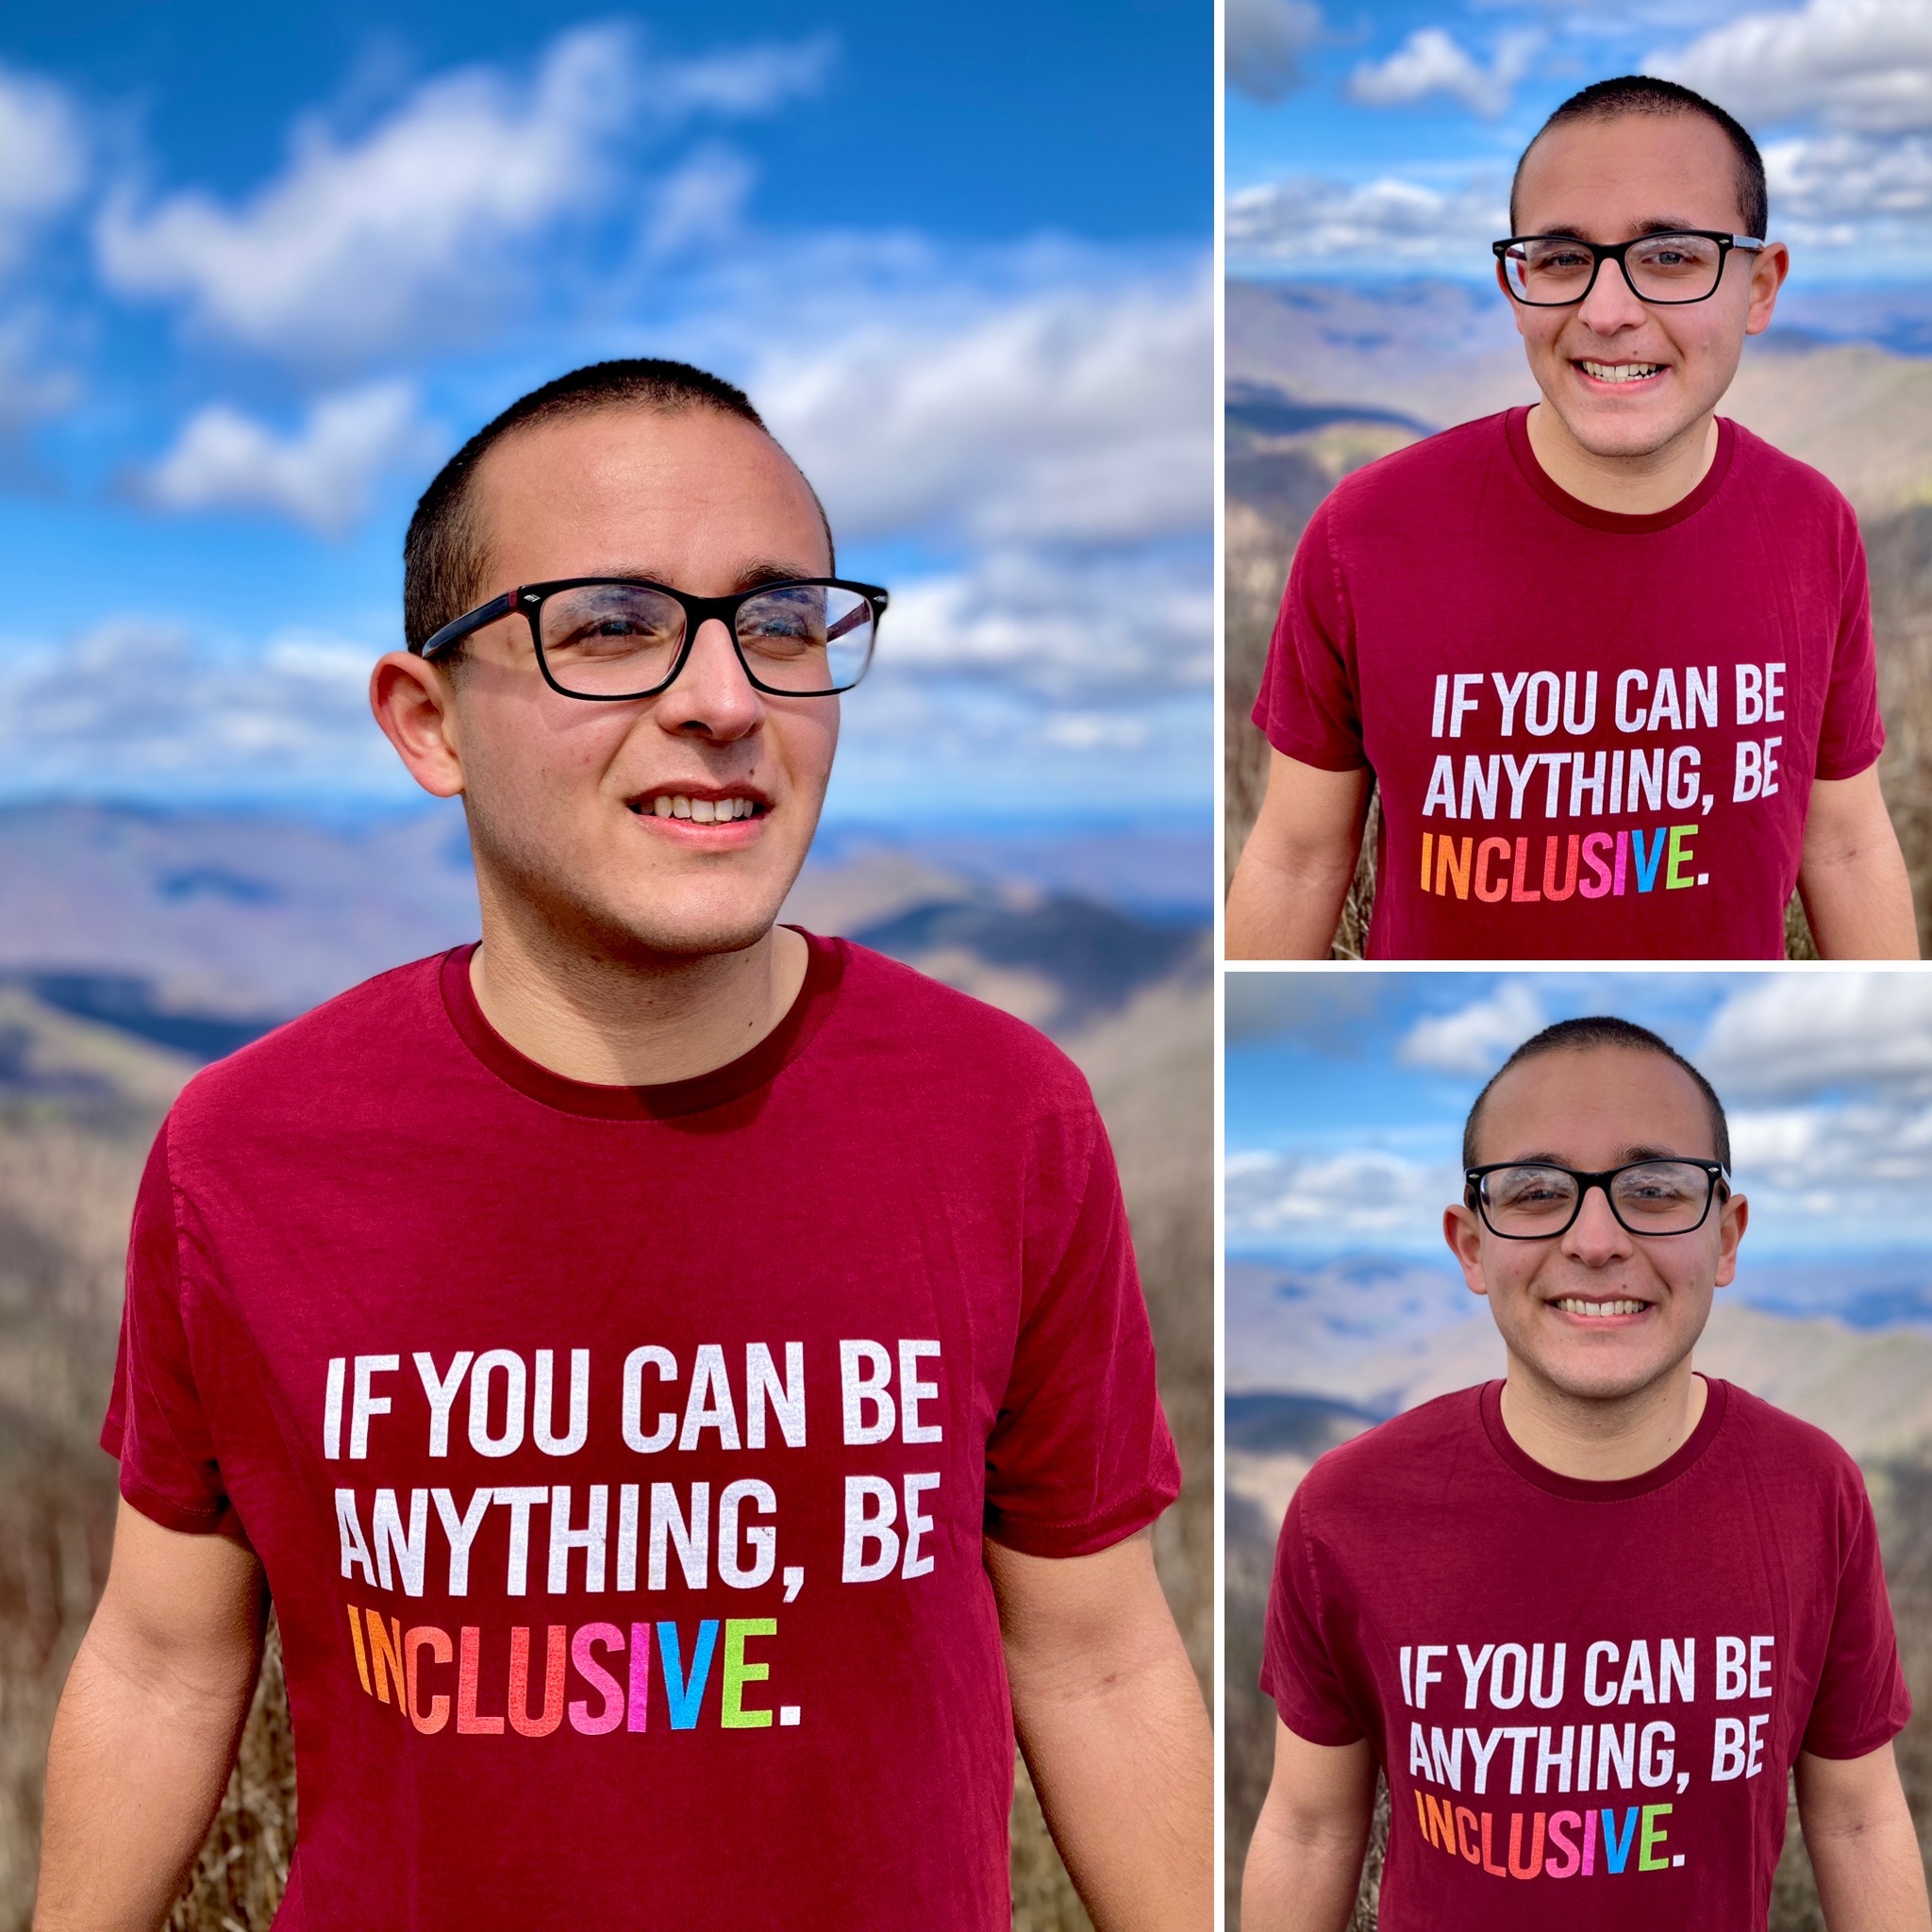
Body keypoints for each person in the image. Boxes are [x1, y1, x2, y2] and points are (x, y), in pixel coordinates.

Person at [35, 359, 1211, 1930]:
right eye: (608, 625)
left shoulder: (1004, 1117)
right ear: (429, 722)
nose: (725, 699)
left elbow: (1100, 1656)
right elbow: (162, 1658)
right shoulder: (245, 1152)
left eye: (780, 622)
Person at [1241, 1015, 1928, 1931]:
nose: (1595, 1239)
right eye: (1535, 1190)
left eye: (1653, 1188)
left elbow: (1857, 1818)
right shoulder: (1344, 1509)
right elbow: (1308, 1827)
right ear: (1470, 1245)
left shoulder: (1812, 1490)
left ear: (1725, 1238)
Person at [1225, 76, 1918, 961]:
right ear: (1516, 287)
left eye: (1670, 256)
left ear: (1759, 286)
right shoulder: (1365, 533)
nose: (1607, 311)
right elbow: (1296, 858)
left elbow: (1847, 843)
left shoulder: (1813, 526)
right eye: (1560, 259)